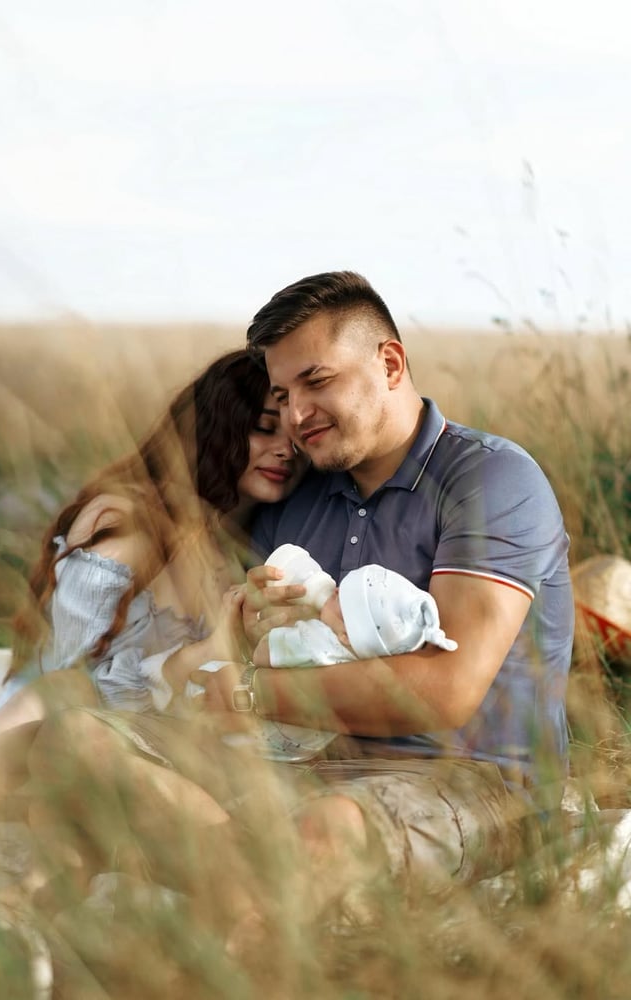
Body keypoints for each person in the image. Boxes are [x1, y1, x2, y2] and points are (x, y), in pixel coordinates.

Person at [0, 349, 303, 935]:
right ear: (217, 428)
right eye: (264, 429)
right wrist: (205, 654)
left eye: (291, 436)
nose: (285, 450)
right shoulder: (130, 523)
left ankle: (8, 915)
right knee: (66, 701)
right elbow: (73, 674)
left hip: (133, 754)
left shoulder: (233, 538)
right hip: (28, 747)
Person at [194, 270, 574, 911]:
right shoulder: (298, 496)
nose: (296, 415)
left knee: (328, 828)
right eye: (283, 394)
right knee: (80, 742)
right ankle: (237, 877)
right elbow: (250, 648)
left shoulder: (491, 480)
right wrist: (249, 628)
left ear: (390, 364)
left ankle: (236, 904)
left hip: (472, 784)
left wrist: (249, 691)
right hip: (304, 760)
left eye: (317, 381)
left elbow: (445, 690)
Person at [194, 544, 457, 764]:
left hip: (275, 733)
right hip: (304, 744)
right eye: (342, 587)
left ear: (346, 635)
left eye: (340, 600)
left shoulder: (319, 643)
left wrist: (274, 630)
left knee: (199, 679)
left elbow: (262, 655)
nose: (336, 591)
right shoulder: (357, 656)